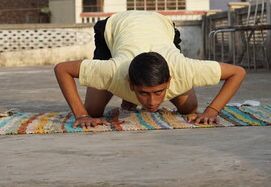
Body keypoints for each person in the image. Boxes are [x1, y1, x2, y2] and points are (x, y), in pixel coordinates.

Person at [54, 11, 246, 129]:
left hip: (160, 25)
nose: (152, 102)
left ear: (169, 80)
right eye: (143, 93)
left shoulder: (186, 69)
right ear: (130, 83)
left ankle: (152, 91)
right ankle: (128, 97)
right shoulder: (112, 70)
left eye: (158, 92)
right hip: (114, 26)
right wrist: (82, 115)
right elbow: (62, 69)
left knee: (189, 108)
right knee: (94, 111)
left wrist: (212, 111)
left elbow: (238, 72)